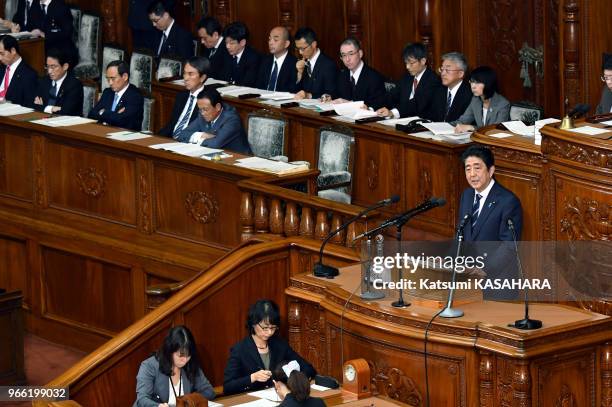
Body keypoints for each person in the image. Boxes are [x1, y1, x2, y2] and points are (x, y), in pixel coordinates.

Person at [458, 145, 522, 300]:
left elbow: (509, 245)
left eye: (477, 168)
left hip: (497, 281)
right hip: (469, 281)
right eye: (468, 169)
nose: (472, 174)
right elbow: (462, 234)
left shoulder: (508, 201)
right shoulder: (467, 195)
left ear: (491, 171)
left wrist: (482, 270)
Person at [223, 299, 316, 395]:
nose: (269, 332)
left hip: (280, 397)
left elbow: (309, 369)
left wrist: (292, 378)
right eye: (265, 328)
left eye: (273, 328)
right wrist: (252, 377)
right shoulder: (240, 350)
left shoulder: (280, 345)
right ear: (253, 323)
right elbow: (228, 387)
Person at [134, 325, 215, 407]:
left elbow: (209, 391)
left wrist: (188, 400)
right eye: (181, 355)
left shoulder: (191, 364)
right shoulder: (149, 366)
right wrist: (157, 406)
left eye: (188, 355)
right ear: (169, 351)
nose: (185, 360)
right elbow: (142, 399)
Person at [376, 42, 441, 120]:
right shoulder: (407, 77)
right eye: (406, 63)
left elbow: (417, 103)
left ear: (423, 61)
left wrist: (393, 112)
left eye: (411, 63)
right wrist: (371, 108)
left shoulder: (433, 80)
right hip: (403, 120)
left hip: (422, 123)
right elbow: (391, 96)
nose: (407, 67)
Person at [174, 88, 251, 154]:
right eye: (200, 109)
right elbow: (182, 134)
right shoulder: (202, 114)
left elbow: (215, 144)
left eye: (205, 109)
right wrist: (201, 135)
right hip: (215, 156)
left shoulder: (231, 119)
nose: (202, 113)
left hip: (238, 158)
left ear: (217, 107)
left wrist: (194, 138)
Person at [159, 56, 209, 137]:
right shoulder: (181, 96)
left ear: (202, 78)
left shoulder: (208, 100)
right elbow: (171, 124)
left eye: (191, 74)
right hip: (170, 139)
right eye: (184, 73)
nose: (185, 78)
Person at [330, 37, 385, 110]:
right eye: (344, 55)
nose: (347, 59)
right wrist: (329, 97)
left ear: (360, 53)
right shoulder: (342, 76)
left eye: (351, 54)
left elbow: (379, 105)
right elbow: (336, 95)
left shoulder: (374, 77)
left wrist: (350, 104)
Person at [89, 60, 144, 131]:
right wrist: (115, 115)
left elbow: (122, 121)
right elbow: (92, 114)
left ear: (125, 77)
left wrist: (103, 112)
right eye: (108, 79)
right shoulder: (108, 92)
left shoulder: (135, 96)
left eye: (113, 78)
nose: (110, 83)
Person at [453, 66, 510, 132]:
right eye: (472, 81)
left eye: (477, 82)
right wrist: (441, 126)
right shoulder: (475, 100)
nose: (473, 86)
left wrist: (472, 127)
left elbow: (496, 131)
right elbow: (463, 121)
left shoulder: (503, 104)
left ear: (488, 83)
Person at [34, 48, 83, 116]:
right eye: (47, 67)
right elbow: (33, 105)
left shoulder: (74, 85)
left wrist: (43, 107)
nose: (49, 71)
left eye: (53, 67)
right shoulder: (44, 81)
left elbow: (66, 112)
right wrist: (51, 109)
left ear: (65, 66)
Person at [293, 27, 337, 100]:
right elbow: (295, 92)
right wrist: (299, 73)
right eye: (298, 49)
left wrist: (309, 96)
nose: (300, 52)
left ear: (314, 44)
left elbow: (331, 95)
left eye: (303, 48)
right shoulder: (302, 63)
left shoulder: (328, 64)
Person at [431, 52, 472, 123]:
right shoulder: (437, 91)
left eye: (447, 70)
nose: (443, 74)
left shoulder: (470, 94)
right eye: (442, 69)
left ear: (460, 74)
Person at [36, 0, 78, 67]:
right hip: (44, 47)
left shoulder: (60, 7)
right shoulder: (36, 5)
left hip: (62, 50)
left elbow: (67, 32)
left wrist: (46, 35)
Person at [255, 26, 298, 93]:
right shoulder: (264, 61)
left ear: (286, 44)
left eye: (275, 40)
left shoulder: (294, 64)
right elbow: (258, 86)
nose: (270, 43)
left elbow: (292, 91)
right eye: (269, 39)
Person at [0, 35, 38, 107]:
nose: (0, 58)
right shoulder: (1, 69)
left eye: (2, 54)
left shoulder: (29, 75)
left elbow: (29, 105)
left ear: (13, 51)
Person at [223, 21, 261, 86]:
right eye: (226, 42)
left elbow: (247, 84)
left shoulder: (253, 58)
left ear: (242, 42)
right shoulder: (225, 54)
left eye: (231, 43)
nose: (227, 46)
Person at [196, 16, 232, 82]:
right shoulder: (207, 47)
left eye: (204, 38)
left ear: (215, 35)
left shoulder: (228, 49)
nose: (202, 41)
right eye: (201, 38)